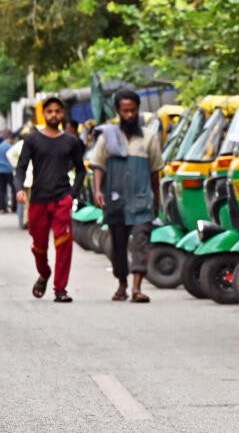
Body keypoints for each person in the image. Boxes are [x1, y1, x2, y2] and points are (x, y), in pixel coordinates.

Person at [91, 90, 163, 303]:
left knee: (141, 243)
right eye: (125, 111)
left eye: (133, 110)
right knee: (118, 246)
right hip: (116, 201)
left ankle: (137, 288)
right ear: (118, 112)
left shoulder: (149, 138)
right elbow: (98, 166)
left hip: (141, 201)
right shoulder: (108, 137)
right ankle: (121, 283)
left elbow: (155, 172)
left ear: (138, 109)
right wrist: (97, 191)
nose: (130, 115)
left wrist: (156, 201)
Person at [16, 97, 86, 302]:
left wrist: (71, 194)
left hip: (61, 200)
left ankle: (60, 289)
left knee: (64, 245)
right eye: (49, 111)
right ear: (43, 114)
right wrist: (19, 188)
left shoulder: (71, 142)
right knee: (39, 246)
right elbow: (21, 168)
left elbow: (81, 171)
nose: (53, 115)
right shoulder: (32, 139)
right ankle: (44, 273)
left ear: (62, 113)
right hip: (38, 199)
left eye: (57, 111)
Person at [0, 131, 13, 213]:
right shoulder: (10, 147)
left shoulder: (0, 146)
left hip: (0, 170)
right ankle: (14, 206)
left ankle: (2, 208)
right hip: (8, 170)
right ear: (9, 139)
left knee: (2, 190)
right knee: (14, 188)